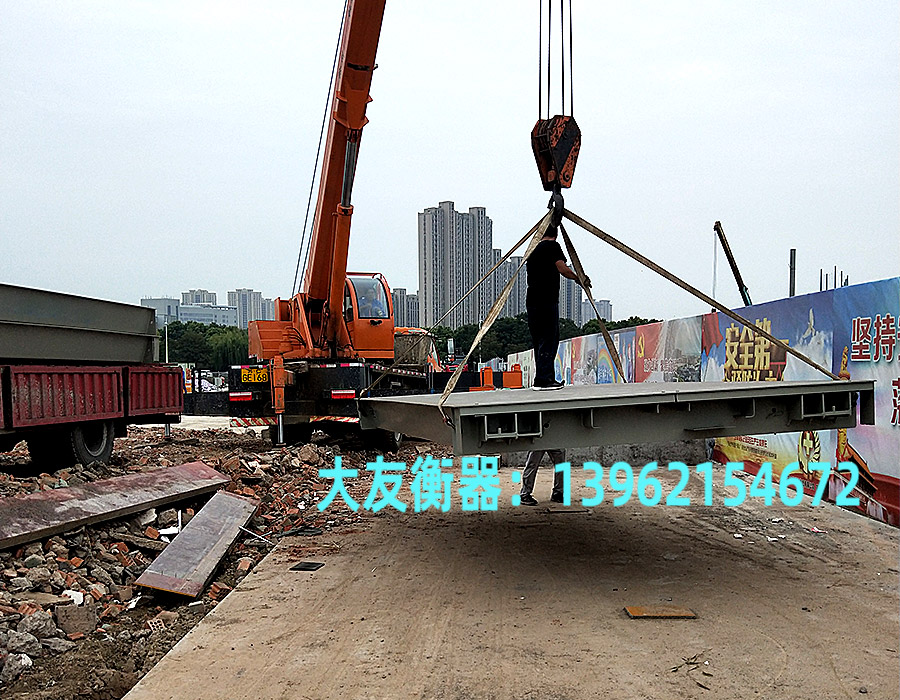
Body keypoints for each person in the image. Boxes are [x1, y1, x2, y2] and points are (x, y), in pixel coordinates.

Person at [526, 192, 589, 389]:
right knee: (549, 340)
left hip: (532, 301)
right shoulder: (552, 247)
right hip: (546, 301)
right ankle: (544, 379)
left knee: (539, 341)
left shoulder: (532, 250)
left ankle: (541, 378)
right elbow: (562, 268)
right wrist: (579, 279)